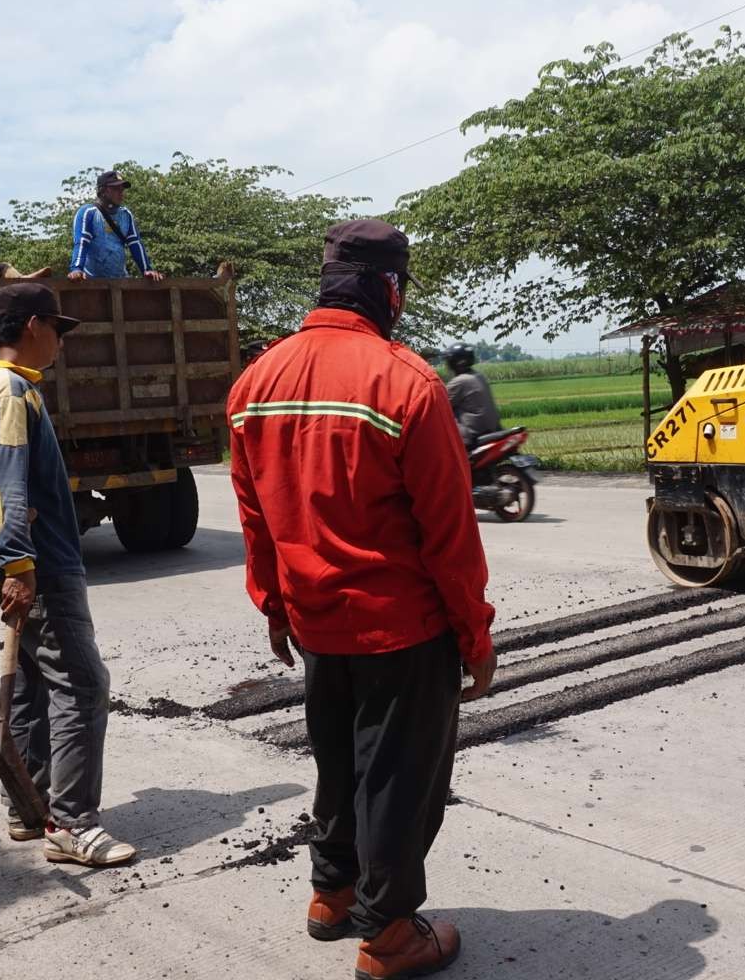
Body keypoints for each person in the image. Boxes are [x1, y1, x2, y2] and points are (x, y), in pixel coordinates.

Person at [227, 219, 495, 979]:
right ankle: (388, 937)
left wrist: (275, 606)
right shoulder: (405, 381)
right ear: (391, 290)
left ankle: (332, 894)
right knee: (400, 782)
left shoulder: (254, 384)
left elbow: (257, 521)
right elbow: (450, 535)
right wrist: (475, 638)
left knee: (339, 765)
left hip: (317, 625)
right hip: (401, 631)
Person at [0, 281, 138, 866]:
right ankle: (71, 824)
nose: (61, 341)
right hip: (40, 564)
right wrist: (20, 564)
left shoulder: (2, 387)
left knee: (36, 686)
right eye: (58, 329)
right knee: (82, 684)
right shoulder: (11, 391)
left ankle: (28, 805)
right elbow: (4, 483)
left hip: (30, 559)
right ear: (33, 325)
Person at [68, 170, 164, 282]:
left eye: (122, 189)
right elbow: (81, 243)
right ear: (102, 191)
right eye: (115, 189)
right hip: (92, 281)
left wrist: (146, 269)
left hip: (120, 280)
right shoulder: (88, 212)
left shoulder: (125, 215)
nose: (121, 193)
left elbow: (135, 244)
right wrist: (76, 269)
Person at [441, 346, 502, 451]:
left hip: (472, 434)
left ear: (453, 363)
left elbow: (440, 406)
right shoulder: (479, 376)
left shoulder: (459, 381)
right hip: (494, 428)